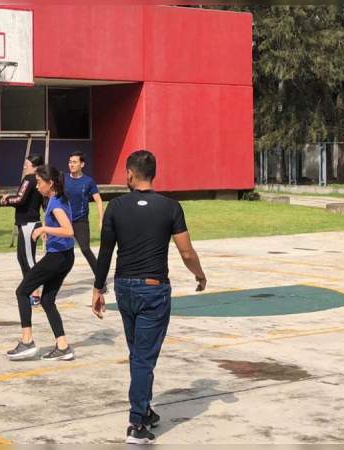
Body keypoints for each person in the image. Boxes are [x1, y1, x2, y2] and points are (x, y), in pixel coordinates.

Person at [91, 150, 207, 444]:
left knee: (139, 354)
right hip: (153, 290)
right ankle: (136, 423)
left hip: (124, 289)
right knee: (143, 357)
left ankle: (144, 411)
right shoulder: (170, 207)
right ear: (153, 173)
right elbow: (186, 251)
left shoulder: (116, 207)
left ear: (130, 173)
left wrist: (97, 288)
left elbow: (106, 251)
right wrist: (200, 274)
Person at [7, 165, 77, 362]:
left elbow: (69, 231)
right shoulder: (59, 199)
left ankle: (27, 342)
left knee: (22, 291)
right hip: (65, 256)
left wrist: (44, 228)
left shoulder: (54, 204)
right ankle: (63, 347)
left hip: (57, 258)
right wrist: (48, 231)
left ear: (50, 183)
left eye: (39, 182)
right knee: (47, 300)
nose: (37, 186)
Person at [1, 154, 45, 307]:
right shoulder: (38, 181)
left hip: (29, 224)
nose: (24, 166)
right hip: (27, 223)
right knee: (22, 258)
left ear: (34, 166)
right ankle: (30, 288)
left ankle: (36, 293)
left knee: (28, 259)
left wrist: (6, 200)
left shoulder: (29, 179)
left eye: (27, 164)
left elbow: (20, 199)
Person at [65, 151, 104, 278]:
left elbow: (98, 200)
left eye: (74, 162)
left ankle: (100, 278)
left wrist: (101, 219)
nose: (71, 164)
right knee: (58, 252)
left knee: (85, 249)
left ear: (82, 164)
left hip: (80, 221)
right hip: (64, 221)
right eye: (70, 162)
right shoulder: (63, 178)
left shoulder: (88, 181)